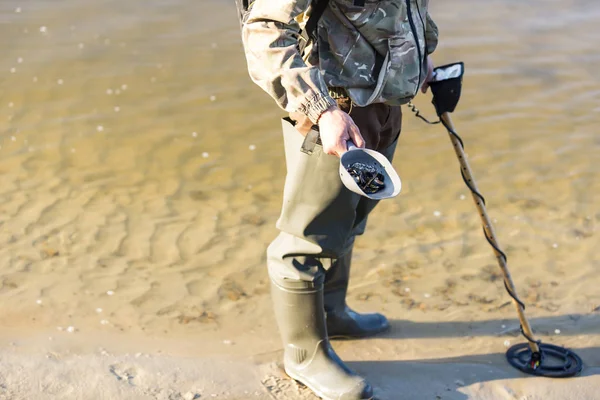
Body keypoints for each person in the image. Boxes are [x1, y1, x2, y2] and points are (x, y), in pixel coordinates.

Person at [240, 1, 439, 399]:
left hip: (383, 100)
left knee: (348, 220)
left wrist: (419, 57)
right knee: (306, 240)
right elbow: (263, 30)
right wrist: (321, 110)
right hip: (336, 112)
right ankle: (304, 355)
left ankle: (331, 311)